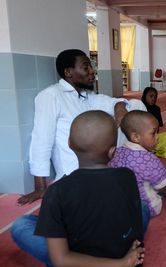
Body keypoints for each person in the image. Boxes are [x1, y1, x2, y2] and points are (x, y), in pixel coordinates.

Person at [15, 111, 145, 266]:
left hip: (91, 260)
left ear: (69, 143)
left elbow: (61, 261)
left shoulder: (56, 191)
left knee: (21, 224)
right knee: (143, 208)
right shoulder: (127, 175)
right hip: (122, 250)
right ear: (112, 151)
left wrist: (123, 264)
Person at [17, 49, 129, 206]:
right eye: (86, 67)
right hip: (72, 174)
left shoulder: (85, 95)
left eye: (91, 66)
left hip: (97, 167)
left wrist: (120, 108)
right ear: (68, 72)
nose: (92, 71)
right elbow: (41, 140)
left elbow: (110, 102)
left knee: (134, 108)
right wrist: (40, 187)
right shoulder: (51, 96)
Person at [109, 110, 166, 218]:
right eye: (153, 133)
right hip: (146, 207)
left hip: (122, 205)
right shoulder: (147, 158)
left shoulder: (118, 151)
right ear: (136, 137)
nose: (157, 137)